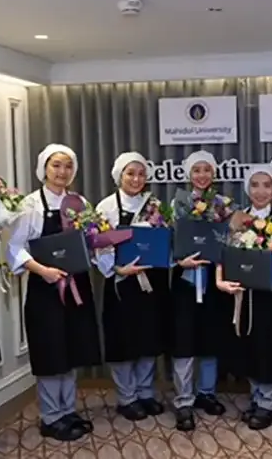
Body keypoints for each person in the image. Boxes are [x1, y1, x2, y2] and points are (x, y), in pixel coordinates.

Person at [5, 144, 100, 441]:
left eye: (68, 166)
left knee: (71, 348)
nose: (62, 171)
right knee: (50, 351)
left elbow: (90, 240)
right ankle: (51, 417)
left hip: (76, 286)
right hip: (45, 288)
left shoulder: (79, 202)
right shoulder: (30, 205)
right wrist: (43, 271)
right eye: (56, 165)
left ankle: (68, 410)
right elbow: (14, 249)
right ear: (44, 168)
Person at [95, 152, 168, 422]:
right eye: (130, 173)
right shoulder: (106, 207)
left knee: (148, 338)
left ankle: (145, 392)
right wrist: (117, 269)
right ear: (119, 176)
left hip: (152, 282)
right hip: (121, 282)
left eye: (141, 174)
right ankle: (127, 397)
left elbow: (164, 240)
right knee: (123, 341)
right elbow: (98, 246)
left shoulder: (155, 206)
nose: (136, 179)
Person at [216, 164, 272, 430]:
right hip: (241, 291)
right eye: (255, 185)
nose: (260, 191)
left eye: (266, 185)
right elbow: (225, 252)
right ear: (247, 188)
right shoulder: (236, 218)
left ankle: (269, 403)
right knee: (248, 344)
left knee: (267, 345)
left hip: (268, 291)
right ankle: (256, 397)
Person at [169, 150, 230, 431]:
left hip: (213, 282)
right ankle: (183, 400)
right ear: (188, 174)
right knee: (184, 343)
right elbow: (169, 241)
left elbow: (228, 242)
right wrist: (179, 261)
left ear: (214, 173)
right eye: (197, 170)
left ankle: (206, 393)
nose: (202, 175)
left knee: (210, 340)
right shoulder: (177, 204)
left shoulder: (223, 206)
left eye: (207, 170)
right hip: (185, 282)